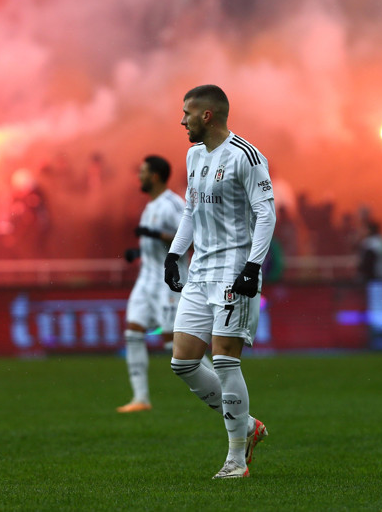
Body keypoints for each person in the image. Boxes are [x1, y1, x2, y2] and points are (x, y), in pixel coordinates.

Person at [164, 84, 276, 479]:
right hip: (200, 273)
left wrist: (253, 266)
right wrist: (175, 254)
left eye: (187, 114)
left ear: (207, 115)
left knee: (226, 360)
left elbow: (266, 215)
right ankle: (247, 426)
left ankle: (236, 461)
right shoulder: (194, 155)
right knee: (183, 362)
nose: (183, 121)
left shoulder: (247, 156)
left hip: (233, 272)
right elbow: (191, 211)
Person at [117, 155, 190, 413]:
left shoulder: (172, 204)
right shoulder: (149, 206)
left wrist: (155, 234)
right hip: (146, 279)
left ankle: (219, 386)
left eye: (144, 172)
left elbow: (189, 238)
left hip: (169, 282)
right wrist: (137, 253)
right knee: (133, 332)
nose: (140, 176)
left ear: (156, 176)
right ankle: (141, 398)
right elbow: (155, 246)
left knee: (176, 346)